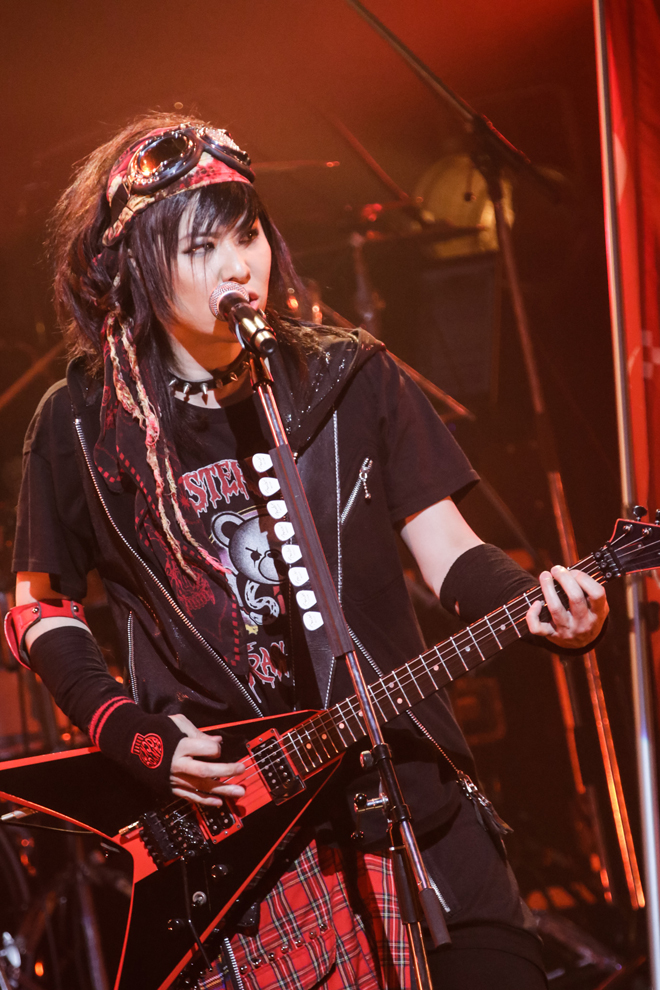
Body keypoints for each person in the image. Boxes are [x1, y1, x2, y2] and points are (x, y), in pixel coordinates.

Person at [8, 113, 608, 990]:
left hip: (412, 799)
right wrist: (137, 740)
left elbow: (450, 552)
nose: (237, 265)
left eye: (247, 234)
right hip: (242, 836)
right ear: (137, 265)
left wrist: (547, 605)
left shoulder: (348, 376)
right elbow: (40, 612)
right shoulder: (82, 423)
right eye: (201, 247)